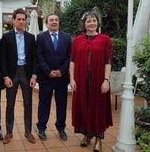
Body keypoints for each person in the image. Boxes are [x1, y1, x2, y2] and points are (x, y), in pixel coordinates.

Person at [69, 11, 113, 152]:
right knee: (83, 107)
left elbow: (108, 61)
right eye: (88, 21)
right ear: (84, 24)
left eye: (94, 20)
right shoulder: (77, 40)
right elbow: (72, 61)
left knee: (98, 108)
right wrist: (72, 78)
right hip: (81, 81)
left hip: (98, 80)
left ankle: (98, 139)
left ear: (97, 22)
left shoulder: (105, 39)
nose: (92, 23)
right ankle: (87, 136)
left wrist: (106, 80)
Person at [0, 8, 37, 144]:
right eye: (18, 19)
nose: (21, 22)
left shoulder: (31, 37)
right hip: (12, 74)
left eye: (23, 19)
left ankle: (28, 132)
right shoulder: (6, 37)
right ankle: (9, 132)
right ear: (13, 21)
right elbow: (2, 59)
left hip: (26, 74)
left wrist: (34, 75)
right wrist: (5, 76)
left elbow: (34, 58)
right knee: (10, 104)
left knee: (28, 104)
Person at [36, 13, 71, 141]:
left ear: (59, 22)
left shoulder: (67, 37)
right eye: (51, 20)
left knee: (61, 104)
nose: (54, 22)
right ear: (46, 23)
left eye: (56, 20)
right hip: (46, 77)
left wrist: (61, 71)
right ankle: (41, 128)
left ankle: (61, 128)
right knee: (44, 103)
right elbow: (39, 56)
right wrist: (48, 71)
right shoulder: (40, 37)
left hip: (62, 77)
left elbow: (70, 56)